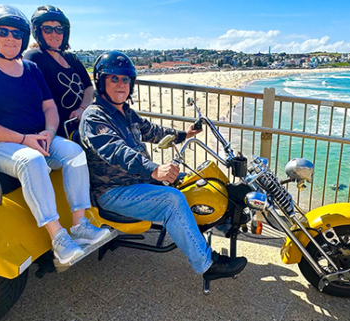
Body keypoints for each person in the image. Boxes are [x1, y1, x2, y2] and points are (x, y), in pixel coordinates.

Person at [0, 5, 110, 265]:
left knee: (74, 153)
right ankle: (58, 238)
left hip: (36, 137)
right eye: (2, 32)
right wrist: (24, 139)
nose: (10, 38)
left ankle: (80, 224)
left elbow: (49, 106)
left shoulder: (30, 68)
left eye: (16, 34)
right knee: (31, 160)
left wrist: (49, 132)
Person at [79, 51, 248, 281]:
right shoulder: (94, 117)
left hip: (139, 182)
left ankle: (222, 223)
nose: (121, 84)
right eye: (114, 78)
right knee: (172, 200)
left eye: (125, 79)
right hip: (113, 192)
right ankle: (207, 264)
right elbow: (115, 150)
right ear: (101, 82)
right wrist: (153, 169)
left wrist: (183, 134)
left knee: (195, 182)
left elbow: (152, 131)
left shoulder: (126, 112)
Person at [23, 5, 92, 140]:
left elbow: (89, 87)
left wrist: (82, 109)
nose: (54, 34)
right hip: (58, 130)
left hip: (82, 123)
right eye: (47, 29)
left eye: (59, 29)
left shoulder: (71, 58)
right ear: (39, 32)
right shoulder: (35, 57)